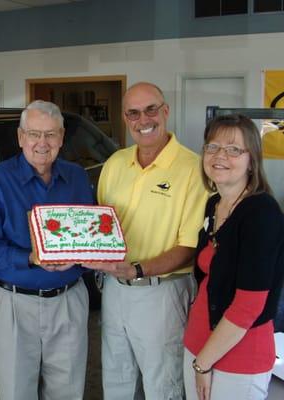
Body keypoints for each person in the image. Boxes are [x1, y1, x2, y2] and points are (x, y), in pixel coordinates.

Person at [0, 100, 93, 400]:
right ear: (20, 137)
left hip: (68, 299)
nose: (42, 143)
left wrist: (82, 257)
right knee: (15, 392)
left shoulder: (77, 177)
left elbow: (89, 235)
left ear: (62, 138)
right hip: (14, 303)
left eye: (51, 135)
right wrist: (29, 258)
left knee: (68, 391)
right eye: (34, 134)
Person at [96, 82, 208, 399]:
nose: (143, 120)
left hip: (162, 294)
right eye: (133, 113)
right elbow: (102, 229)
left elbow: (189, 248)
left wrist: (137, 270)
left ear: (165, 111)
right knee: (116, 379)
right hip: (114, 291)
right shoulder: (115, 163)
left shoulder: (193, 169)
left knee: (164, 385)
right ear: (125, 118)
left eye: (150, 110)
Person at [183, 114, 284, 400]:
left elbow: (248, 306)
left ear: (251, 160)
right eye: (212, 147)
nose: (220, 156)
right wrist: (198, 357)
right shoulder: (214, 203)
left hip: (239, 357)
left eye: (233, 149)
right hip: (197, 345)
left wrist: (203, 364)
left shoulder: (261, 214)